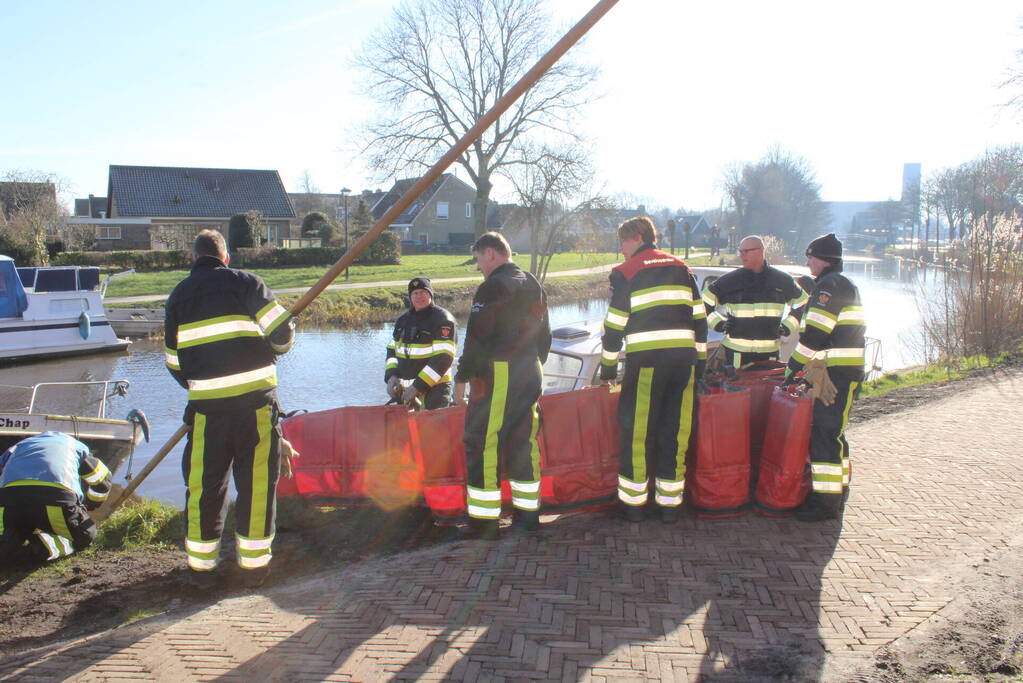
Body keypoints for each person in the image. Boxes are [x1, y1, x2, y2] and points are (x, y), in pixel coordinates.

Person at [164, 229, 295, 587]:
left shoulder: (178, 296)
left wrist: (204, 386)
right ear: (226, 257)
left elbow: (174, 362)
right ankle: (253, 569)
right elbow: (283, 335)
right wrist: (275, 349)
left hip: (207, 413)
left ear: (194, 258)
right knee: (256, 485)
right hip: (256, 407)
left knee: (204, 488)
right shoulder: (247, 283)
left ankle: (202, 570)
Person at [600, 216, 708, 524]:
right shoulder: (683, 268)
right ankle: (669, 506)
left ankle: (633, 506)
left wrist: (608, 369)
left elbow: (614, 325)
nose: (621, 248)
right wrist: (699, 365)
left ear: (637, 237)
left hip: (646, 363)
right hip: (684, 364)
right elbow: (700, 320)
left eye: (623, 241)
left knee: (636, 432)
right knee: (676, 432)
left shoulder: (627, 272)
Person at [454, 232, 551, 539]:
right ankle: (528, 517)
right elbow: (545, 333)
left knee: (483, 442)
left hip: (499, 372)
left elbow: (477, 337)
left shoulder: (493, 286)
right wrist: (533, 364)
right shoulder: (532, 282)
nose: (479, 266)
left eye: (479, 259)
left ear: (491, 254)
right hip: (530, 369)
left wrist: (462, 378)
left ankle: (484, 523)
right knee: (524, 441)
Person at [784, 233, 865, 522]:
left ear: (824, 260)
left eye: (811, 258)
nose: (808, 263)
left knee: (823, 435)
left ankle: (825, 503)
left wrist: (791, 370)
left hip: (836, 375)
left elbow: (814, 337)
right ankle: (839, 491)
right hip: (843, 372)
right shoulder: (841, 284)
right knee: (834, 434)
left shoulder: (829, 287)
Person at [0, 431, 111, 563]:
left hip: (9, 501)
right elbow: (103, 481)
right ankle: (32, 550)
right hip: (55, 500)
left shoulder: (18, 446)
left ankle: (9, 546)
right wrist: (90, 504)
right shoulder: (75, 446)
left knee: (10, 534)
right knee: (85, 535)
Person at [701, 235, 809, 370]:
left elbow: (804, 303)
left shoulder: (781, 280)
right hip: (736, 356)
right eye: (740, 251)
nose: (742, 255)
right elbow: (702, 303)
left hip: (769, 356)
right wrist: (719, 324)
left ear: (761, 251)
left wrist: (787, 327)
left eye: (746, 251)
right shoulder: (731, 280)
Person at [385, 277, 457, 410]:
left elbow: (443, 358)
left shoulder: (443, 319)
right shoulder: (402, 321)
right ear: (410, 297)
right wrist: (391, 376)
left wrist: (418, 386)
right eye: (415, 293)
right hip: (407, 392)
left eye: (423, 292)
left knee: (433, 424)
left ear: (430, 294)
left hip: (435, 391)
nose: (419, 296)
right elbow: (391, 351)